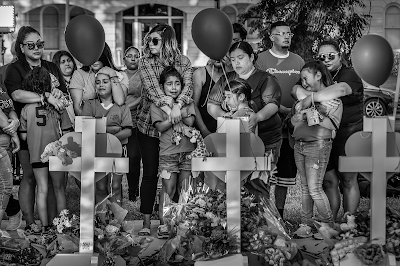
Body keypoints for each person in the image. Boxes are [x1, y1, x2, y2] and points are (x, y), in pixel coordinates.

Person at [4, 26, 68, 233]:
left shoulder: (51, 66)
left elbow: (64, 97)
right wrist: (45, 96)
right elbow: (16, 95)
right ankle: (31, 222)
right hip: (27, 131)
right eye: (31, 45)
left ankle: (54, 224)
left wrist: (57, 94)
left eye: (40, 44)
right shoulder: (15, 68)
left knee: (54, 180)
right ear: (21, 47)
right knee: (30, 176)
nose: (37, 48)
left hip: (53, 131)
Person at [292, 39, 364, 222]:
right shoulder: (317, 75)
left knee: (348, 179)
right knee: (329, 181)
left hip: (348, 134)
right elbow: (296, 90)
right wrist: (316, 98)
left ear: (340, 55)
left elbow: (340, 89)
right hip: (321, 138)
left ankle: (350, 221)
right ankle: (329, 221)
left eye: (331, 55)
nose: (326, 59)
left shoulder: (350, 74)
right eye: (321, 56)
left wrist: (310, 99)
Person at [137, 23, 193, 236]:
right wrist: (174, 108)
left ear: (167, 41)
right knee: (151, 173)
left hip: (176, 131)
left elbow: (187, 88)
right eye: (148, 40)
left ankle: (175, 221)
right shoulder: (145, 62)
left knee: (178, 178)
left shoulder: (184, 62)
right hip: (150, 126)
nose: (149, 44)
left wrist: (179, 105)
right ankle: (145, 223)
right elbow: (154, 92)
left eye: (154, 40)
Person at [207, 41, 282, 197]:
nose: (236, 62)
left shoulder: (266, 78)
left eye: (240, 58)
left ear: (252, 57)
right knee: (233, 183)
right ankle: (239, 218)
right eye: (233, 59)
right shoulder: (226, 79)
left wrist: (257, 116)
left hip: (265, 140)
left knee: (258, 182)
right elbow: (212, 105)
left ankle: (262, 219)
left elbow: (273, 105)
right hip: (234, 143)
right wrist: (225, 116)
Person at [256, 21, 305, 219]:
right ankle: (262, 215)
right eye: (281, 33)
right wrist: (279, 109)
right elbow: (256, 91)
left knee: (285, 175)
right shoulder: (261, 59)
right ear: (271, 36)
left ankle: (280, 217)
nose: (286, 36)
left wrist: (294, 111)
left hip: (292, 127)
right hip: (267, 127)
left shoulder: (298, 61)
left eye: (289, 33)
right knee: (265, 174)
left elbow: (305, 89)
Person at [290, 61, 342, 237]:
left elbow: (333, 124)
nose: (303, 82)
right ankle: (305, 225)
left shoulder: (332, 99)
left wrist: (313, 114)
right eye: (301, 79)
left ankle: (328, 225)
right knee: (305, 187)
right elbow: (293, 121)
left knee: (314, 188)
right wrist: (297, 117)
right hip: (300, 145)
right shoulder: (304, 97)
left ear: (318, 75)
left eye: (306, 78)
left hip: (318, 145)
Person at [19, 67, 73, 233]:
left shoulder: (26, 109)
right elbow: (66, 132)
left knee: (42, 189)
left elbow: (23, 137)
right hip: (57, 154)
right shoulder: (58, 107)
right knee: (59, 189)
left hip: (37, 155)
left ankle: (45, 227)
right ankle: (63, 226)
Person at [151, 67, 195, 239]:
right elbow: (160, 126)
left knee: (185, 189)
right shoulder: (158, 105)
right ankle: (164, 223)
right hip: (168, 153)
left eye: (177, 83)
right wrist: (175, 116)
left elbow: (191, 121)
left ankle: (183, 223)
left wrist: (181, 110)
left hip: (188, 152)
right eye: (169, 84)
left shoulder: (188, 102)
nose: (174, 87)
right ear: (162, 87)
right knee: (168, 188)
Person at [82, 70, 133, 207]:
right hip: (97, 151)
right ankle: (103, 221)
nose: (101, 85)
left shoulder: (122, 106)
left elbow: (128, 130)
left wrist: (108, 136)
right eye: (97, 83)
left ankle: (117, 221)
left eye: (105, 82)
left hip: (119, 151)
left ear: (113, 84)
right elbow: (87, 128)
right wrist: (113, 130)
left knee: (115, 186)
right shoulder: (90, 105)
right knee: (100, 187)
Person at [69, 42, 128, 116]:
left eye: (98, 56)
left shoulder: (121, 75)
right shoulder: (79, 74)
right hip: (88, 121)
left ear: (104, 55)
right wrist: (95, 122)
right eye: (91, 55)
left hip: (113, 121)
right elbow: (77, 108)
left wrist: (112, 74)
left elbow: (120, 101)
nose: (94, 60)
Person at [0, 82, 20, 234]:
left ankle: (13, 210)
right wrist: (14, 133)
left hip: (5, 138)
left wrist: (15, 120)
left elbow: (8, 106)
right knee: (5, 187)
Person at [123, 46, 142, 202]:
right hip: (121, 121)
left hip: (138, 120)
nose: (133, 58)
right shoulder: (119, 76)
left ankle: (135, 190)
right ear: (124, 59)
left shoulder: (143, 75)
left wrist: (125, 108)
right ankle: (129, 190)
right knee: (128, 157)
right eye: (130, 56)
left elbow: (143, 97)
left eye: (136, 56)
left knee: (135, 156)